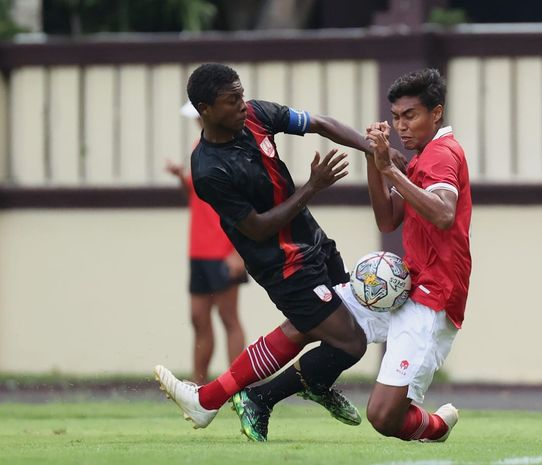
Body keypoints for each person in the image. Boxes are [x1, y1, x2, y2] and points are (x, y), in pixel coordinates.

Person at [154, 63, 404, 441]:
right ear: (205, 109)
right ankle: (260, 398)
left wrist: (370, 147)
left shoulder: (255, 115)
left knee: (331, 326)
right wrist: (312, 186)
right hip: (283, 265)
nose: (242, 104)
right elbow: (257, 227)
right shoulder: (208, 169)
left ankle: (209, 399)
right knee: (350, 342)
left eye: (241, 95)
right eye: (231, 100)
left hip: (314, 243)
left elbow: (317, 122)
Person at [334, 68, 472, 442]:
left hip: (434, 297)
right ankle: (233, 393)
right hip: (409, 287)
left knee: (382, 416)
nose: (401, 126)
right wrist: (373, 160)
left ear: (437, 113)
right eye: (396, 118)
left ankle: (437, 426)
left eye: (410, 115)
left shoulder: (442, 154)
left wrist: (391, 172)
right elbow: (387, 219)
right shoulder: (421, 157)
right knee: (319, 314)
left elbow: (443, 213)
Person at [165, 101, 248, 385]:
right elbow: (197, 194)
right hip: (199, 250)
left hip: (224, 251)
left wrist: (238, 252)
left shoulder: (231, 152)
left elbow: (243, 205)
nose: (198, 124)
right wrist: (181, 177)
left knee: (228, 318)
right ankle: (198, 388)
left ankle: (238, 386)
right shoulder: (197, 150)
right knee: (198, 318)